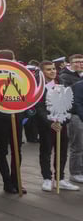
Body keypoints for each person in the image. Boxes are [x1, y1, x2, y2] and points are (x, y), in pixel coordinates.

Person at [0, 49, 27, 194]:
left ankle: (16, 180)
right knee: (2, 150)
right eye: (12, 58)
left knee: (17, 150)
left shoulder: (19, 74)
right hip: (1, 118)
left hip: (16, 116)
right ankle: (7, 181)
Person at [38, 61, 79, 192]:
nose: (52, 71)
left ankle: (60, 179)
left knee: (62, 151)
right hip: (47, 125)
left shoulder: (62, 82)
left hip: (62, 124)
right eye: (48, 69)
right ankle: (47, 178)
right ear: (42, 72)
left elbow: (70, 102)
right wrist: (50, 122)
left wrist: (63, 121)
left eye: (53, 69)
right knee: (46, 151)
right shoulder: (39, 86)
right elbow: (39, 108)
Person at [63, 54, 83, 184]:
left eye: (82, 62)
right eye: (77, 62)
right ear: (69, 64)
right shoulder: (65, 77)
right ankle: (75, 173)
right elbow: (73, 99)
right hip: (75, 115)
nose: (80, 64)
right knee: (77, 146)